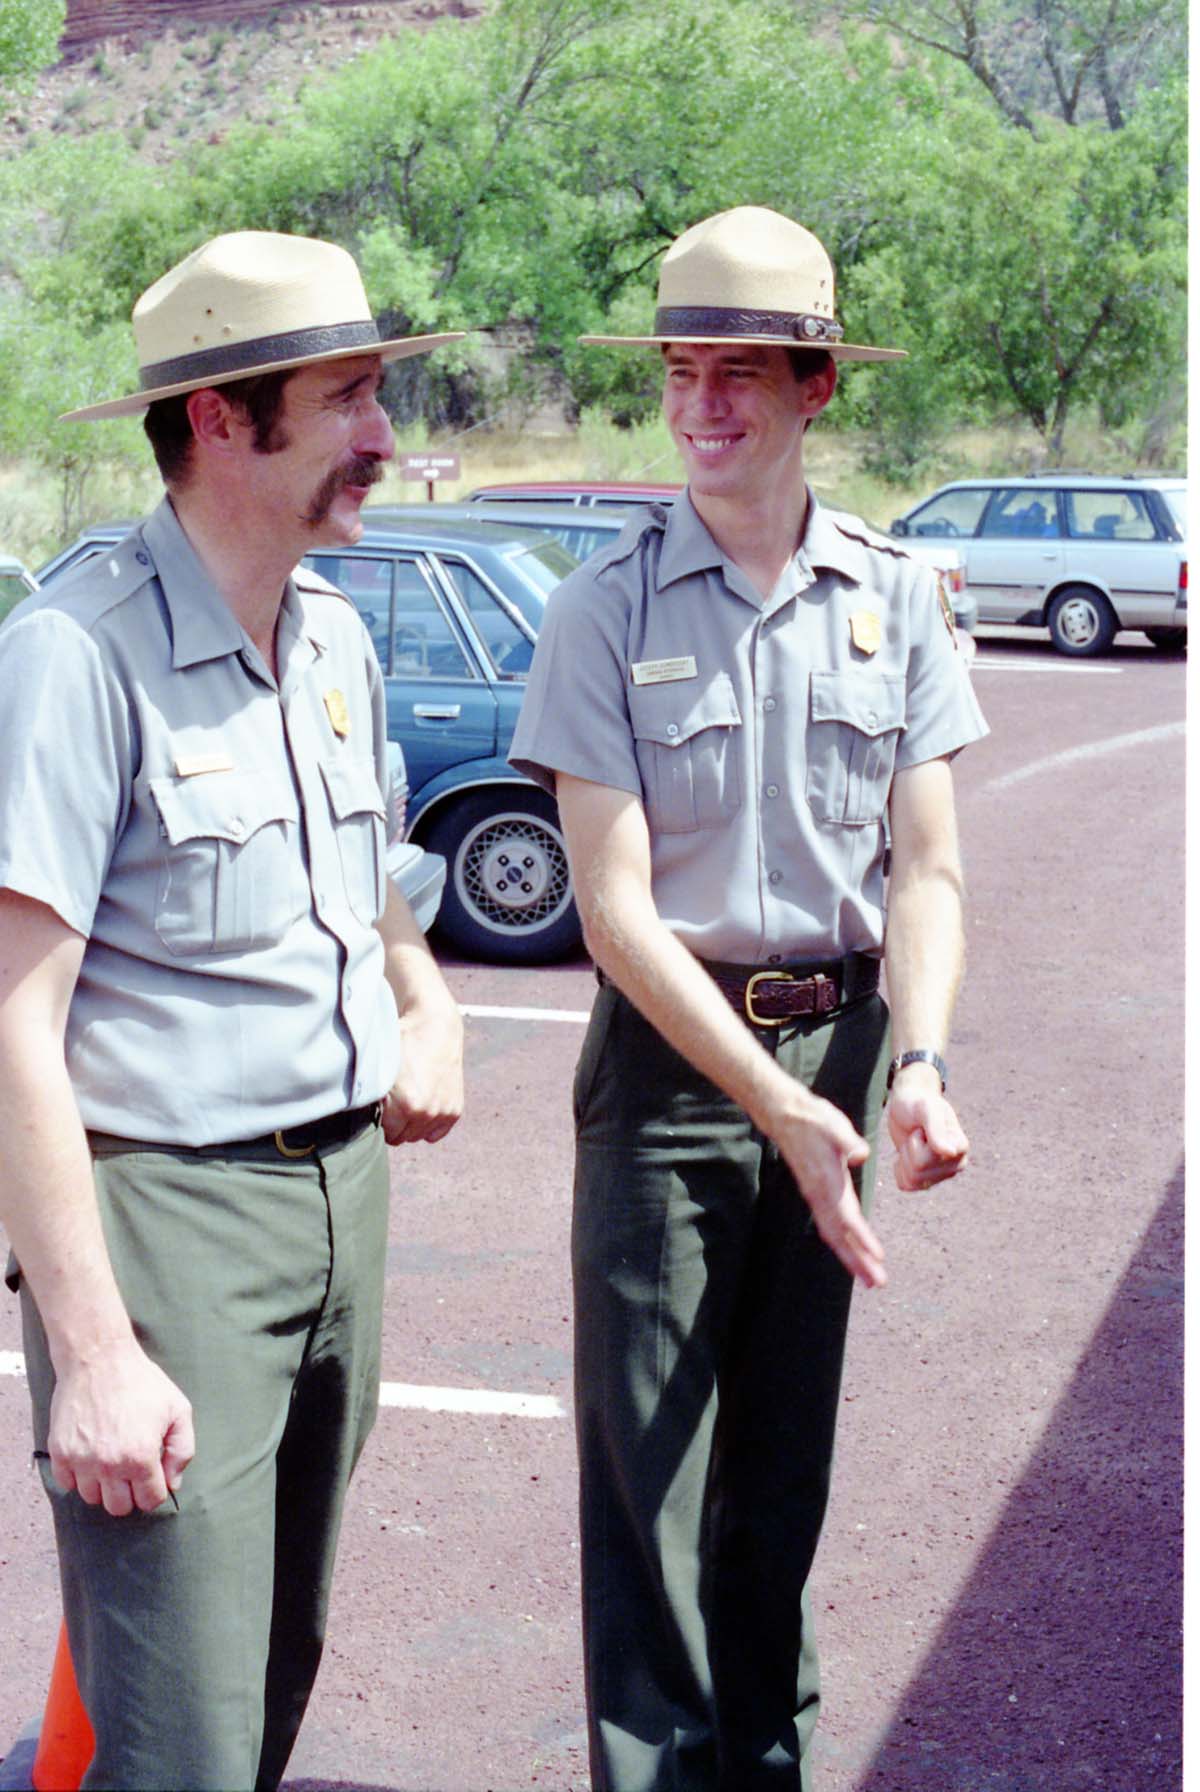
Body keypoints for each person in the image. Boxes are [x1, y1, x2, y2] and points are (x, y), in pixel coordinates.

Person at [508, 205, 988, 1790]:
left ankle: (767, 1767)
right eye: (681, 371)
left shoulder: (897, 597)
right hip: (668, 1083)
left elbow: (924, 869)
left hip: (841, 1052)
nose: (704, 405)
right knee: (651, 1485)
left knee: (780, 1477)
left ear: (817, 389)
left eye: (742, 375)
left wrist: (912, 1063)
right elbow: (614, 911)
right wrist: (769, 1103)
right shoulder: (604, 610)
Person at [0, 231, 466, 1791]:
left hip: (345, 1197)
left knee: (269, 1683)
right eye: (346, 401)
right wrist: (93, 1352)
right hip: (171, 1230)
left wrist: (424, 991)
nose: (385, 439)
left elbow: (365, 870)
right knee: (175, 1738)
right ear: (219, 421)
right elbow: (13, 1023)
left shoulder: (330, 634)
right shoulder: (77, 654)